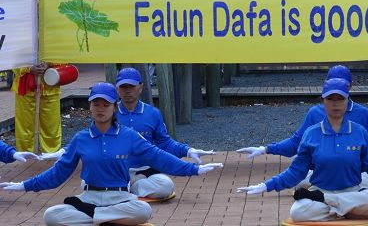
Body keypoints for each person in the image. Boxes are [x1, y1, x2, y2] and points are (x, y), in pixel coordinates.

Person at [0, 82, 223, 226]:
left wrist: (193, 169)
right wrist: (25, 185)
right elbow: (59, 173)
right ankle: (108, 219)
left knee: (144, 210)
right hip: (89, 197)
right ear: (89, 107)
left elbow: (158, 156)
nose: (100, 108)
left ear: (114, 107)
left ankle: (95, 217)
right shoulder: (80, 138)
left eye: (105, 104)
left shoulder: (129, 136)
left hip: (121, 197)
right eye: (95, 104)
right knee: (51, 216)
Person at [237, 78, 368, 222]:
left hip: (352, 190)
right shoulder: (312, 134)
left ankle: (330, 204)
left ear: (347, 100)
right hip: (322, 190)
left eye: (340, 99)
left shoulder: (359, 131)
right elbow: (295, 172)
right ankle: (342, 207)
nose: (336, 103)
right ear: (323, 101)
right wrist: (265, 186)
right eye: (331, 99)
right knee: (297, 211)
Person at [43, 67, 216, 200]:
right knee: (87, 183)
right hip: (115, 170)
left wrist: (187, 151)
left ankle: (125, 191)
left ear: (140, 87)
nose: (127, 90)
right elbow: (88, 138)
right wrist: (63, 152)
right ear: (117, 89)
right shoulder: (108, 111)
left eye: (131, 86)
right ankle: (119, 190)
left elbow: (164, 143)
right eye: (123, 86)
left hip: (146, 171)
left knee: (166, 187)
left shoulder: (152, 113)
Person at [13, 62, 62, 153]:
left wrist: (48, 64)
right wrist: (29, 69)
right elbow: (14, 61)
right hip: (25, 87)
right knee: (25, 122)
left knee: (51, 121)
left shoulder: (54, 47)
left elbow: (61, 57)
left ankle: (52, 151)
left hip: (50, 85)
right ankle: (26, 152)